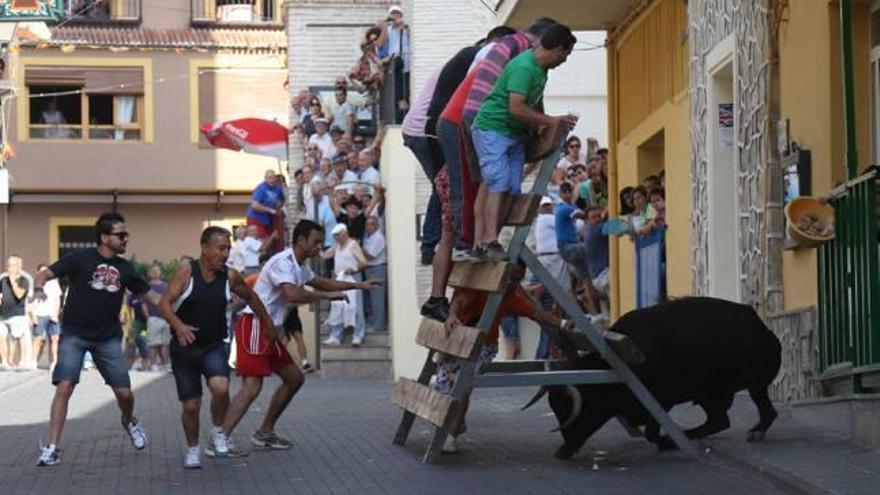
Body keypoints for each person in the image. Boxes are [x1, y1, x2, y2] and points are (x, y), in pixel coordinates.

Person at [218, 220, 379, 453]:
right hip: (254, 324)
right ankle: (220, 439)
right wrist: (325, 296)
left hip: (269, 329)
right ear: (301, 240)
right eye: (315, 242)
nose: (318, 247)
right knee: (252, 387)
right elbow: (291, 294)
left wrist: (358, 286)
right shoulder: (283, 262)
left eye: (320, 243)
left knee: (295, 378)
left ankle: (265, 432)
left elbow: (319, 281)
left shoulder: (299, 265)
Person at [33, 212, 161, 466]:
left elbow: (153, 298)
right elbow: (45, 274)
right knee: (64, 386)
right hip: (74, 335)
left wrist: (178, 308)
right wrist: (38, 289)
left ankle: (128, 420)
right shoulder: (80, 259)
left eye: (126, 234)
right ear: (104, 237)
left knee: (125, 394)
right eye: (120, 235)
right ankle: (52, 447)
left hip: (107, 339)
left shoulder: (126, 268)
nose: (126, 238)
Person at [159, 226, 277, 469]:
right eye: (221, 249)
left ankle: (218, 432)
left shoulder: (230, 277)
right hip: (184, 348)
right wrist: (179, 325)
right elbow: (164, 303)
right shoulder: (186, 272)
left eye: (228, 249)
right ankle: (193, 449)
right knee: (191, 406)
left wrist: (268, 324)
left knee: (221, 388)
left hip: (214, 344)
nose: (225, 254)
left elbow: (252, 298)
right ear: (204, 248)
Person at [468, 24, 578, 261]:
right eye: (566, 54)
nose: (565, 60)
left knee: (510, 187)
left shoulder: (540, 69)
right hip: (493, 128)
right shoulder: (525, 68)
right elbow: (516, 107)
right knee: (498, 181)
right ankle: (488, 241)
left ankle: (485, 242)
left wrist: (540, 122)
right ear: (558, 49)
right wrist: (550, 121)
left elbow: (533, 101)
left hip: (513, 132)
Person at [322, 224, 370, 346]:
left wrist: (353, 269)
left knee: (356, 308)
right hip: (340, 279)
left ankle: (358, 335)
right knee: (338, 306)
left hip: (353, 278)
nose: (336, 238)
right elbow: (325, 255)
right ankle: (335, 335)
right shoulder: (336, 246)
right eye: (335, 236)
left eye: (338, 235)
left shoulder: (353, 245)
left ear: (345, 233)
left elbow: (364, 262)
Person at [377, 5, 411, 122]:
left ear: (401, 15)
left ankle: (406, 116)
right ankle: (401, 117)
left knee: (406, 93)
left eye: (397, 14)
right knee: (399, 94)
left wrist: (402, 25)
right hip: (394, 65)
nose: (394, 16)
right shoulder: (389, 30)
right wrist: (384, 27)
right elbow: (380, 44)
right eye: (392, 14)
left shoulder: (406, 28)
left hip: (406, 66)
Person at [0, 256, 31, 370]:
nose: (9, 268)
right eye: (8, 265)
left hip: (17, 314)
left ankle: (23, 361)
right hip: (3, 314)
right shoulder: (3, 280)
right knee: (2, 337)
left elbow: (19, 295)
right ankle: (4, 362)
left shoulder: (24, 280)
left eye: (12, 265)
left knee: (19, 337)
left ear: (19, 266)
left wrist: (13, 281)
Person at [31, 263, 63, 370]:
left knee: (54, 338)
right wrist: (33, 316)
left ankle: (54, 362)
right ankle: (34, 361)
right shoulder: (35, 283)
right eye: (41, 271)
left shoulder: (54, 283)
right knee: (38, 339)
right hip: (40, 314)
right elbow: (31, 301)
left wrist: (55, 313)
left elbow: (58, 299)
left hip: (52, 314)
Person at [142, 264, 171, 372]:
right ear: (149, 273)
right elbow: (143, 304)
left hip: (166, 318)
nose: (155, 272)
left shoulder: (166, 286)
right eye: (153, 270)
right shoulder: (147, 287)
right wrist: (148, 317)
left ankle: (166, 364)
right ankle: (153, 364)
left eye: (157, 270)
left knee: (165, 343)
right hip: (153, 318)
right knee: (153, 343)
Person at [362, 216, 387, 332]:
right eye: (367, 224)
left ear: (377, 225)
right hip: (369, 269)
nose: (369, 227)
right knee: (370, 299)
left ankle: (378, 326)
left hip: (377, 269)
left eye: (372, 224)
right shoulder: (369, 237)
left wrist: (357, 247)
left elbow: (370, 256)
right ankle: (372, 323)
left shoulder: (379, 237)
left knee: (377, 299)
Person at [246, 170, 285, 240]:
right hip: (255, 218)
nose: (271, 180)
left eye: (273, 178)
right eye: (269, 178)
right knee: (261, 241)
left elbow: (282, 199)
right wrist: (270, 210)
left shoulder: (278, 188)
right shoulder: (261, 188)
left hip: (268, 220)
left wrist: (278, 207)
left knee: (272, 240)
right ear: (265, 178)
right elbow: (254, 205)